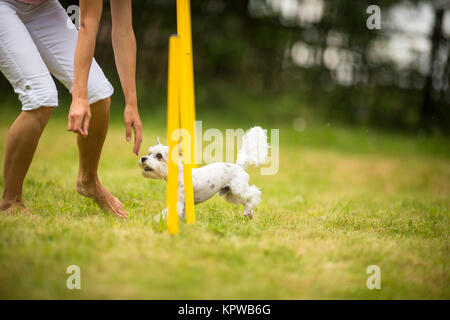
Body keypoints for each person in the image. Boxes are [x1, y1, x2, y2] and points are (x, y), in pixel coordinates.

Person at [0, 0, 142, 219]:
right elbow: (87, 24)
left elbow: (123, 30)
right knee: (40, 97)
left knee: (99, 93)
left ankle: (88, 180)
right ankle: (10, 202)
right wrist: (78, 96)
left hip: (42, 7)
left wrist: (131, 103)